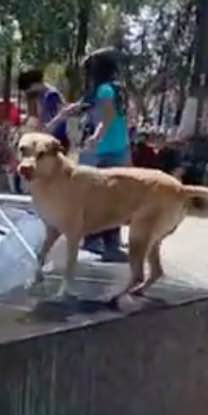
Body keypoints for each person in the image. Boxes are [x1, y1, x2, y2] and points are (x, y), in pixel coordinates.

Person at [51, 48, 130, 261]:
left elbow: (108, 117)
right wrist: (57, 119)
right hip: (120, 148)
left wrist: (95, 137)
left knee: (92, 194)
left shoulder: (104, 90)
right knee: (115, 197)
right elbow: (79, 107)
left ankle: (95, 239)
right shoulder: (115, 88)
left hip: (100, 150)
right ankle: (109, 243)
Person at [17, 68, 69, 151]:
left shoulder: (51, 96)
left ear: (34, 84)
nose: (27, 92)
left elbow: (53, 124)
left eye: (27, 89)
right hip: (46, 140)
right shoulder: (40, 95)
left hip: (55, 142)